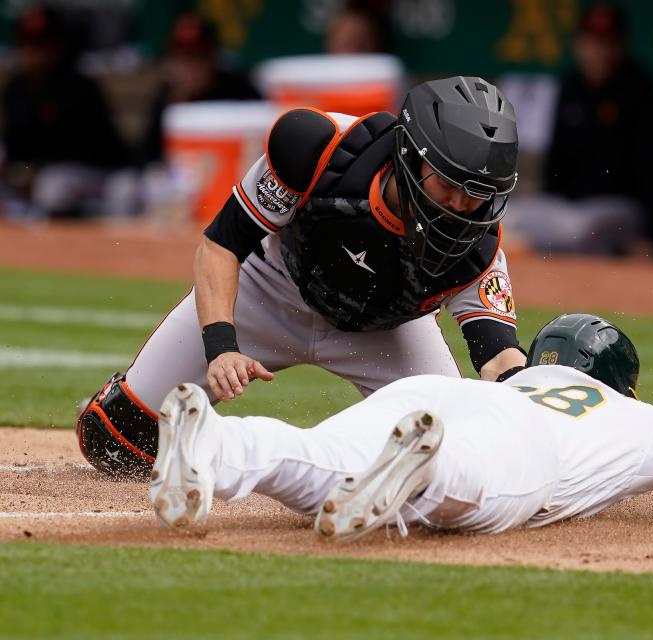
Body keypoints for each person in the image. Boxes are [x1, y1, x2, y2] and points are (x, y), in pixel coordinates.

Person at [77, 76, 527, 479]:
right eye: (448, 182)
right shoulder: (318, 148)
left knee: (445, 459)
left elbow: (500, 360)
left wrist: (532, 415)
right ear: (409, 153)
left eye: (480, 194)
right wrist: (221, 346)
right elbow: (220, 245)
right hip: (271, 290)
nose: (461, 205)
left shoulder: (480, 248)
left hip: (386, 332)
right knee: (119, 442)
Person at [149, 313, 653, 539]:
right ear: (619, 380)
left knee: (311, 453)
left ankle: (214, 444)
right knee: (475, 488)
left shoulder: (519, 379)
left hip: (438, 395)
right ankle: (421, 468)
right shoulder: (645, 419)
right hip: (516, 444)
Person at [506, 2, 653, 255]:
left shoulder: (639, 88)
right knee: (509, 216)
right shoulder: (570, 85)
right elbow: (556, 161)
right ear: (578, 44)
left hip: (623, 208)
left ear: (621, 45)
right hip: (570, 207)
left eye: (607, 43)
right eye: (592, 42)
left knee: (578, 228)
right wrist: (551, 207)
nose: (599, 51)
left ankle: (535, 246)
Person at [0, 5, 133, 219]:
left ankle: (60, 248)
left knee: (53, 186)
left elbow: (90, 150)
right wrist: (18, 171)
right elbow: (15, 145)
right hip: (35, 173)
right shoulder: (17, 87)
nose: (35, 51)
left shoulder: (78, 86)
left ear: (57, 45)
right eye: (29, 43)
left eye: (42, 43)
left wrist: (33, 172)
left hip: (92, 172)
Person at [139, 12, 262, 166]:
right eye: (180, 59)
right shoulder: (167, 96)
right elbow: (148, 157)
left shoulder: (238, 87)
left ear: (212, 58)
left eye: (195, 58)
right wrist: (179, 102)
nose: (186, 68)